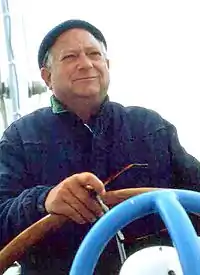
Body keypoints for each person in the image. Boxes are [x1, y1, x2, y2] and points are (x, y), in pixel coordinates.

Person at [0, 19, 200, 275]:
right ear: (47, 77)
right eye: (70, 57)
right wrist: (43, 200)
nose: (86, 64)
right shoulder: (19, 138)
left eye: (94, 54)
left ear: (107, 65)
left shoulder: (150, 126)